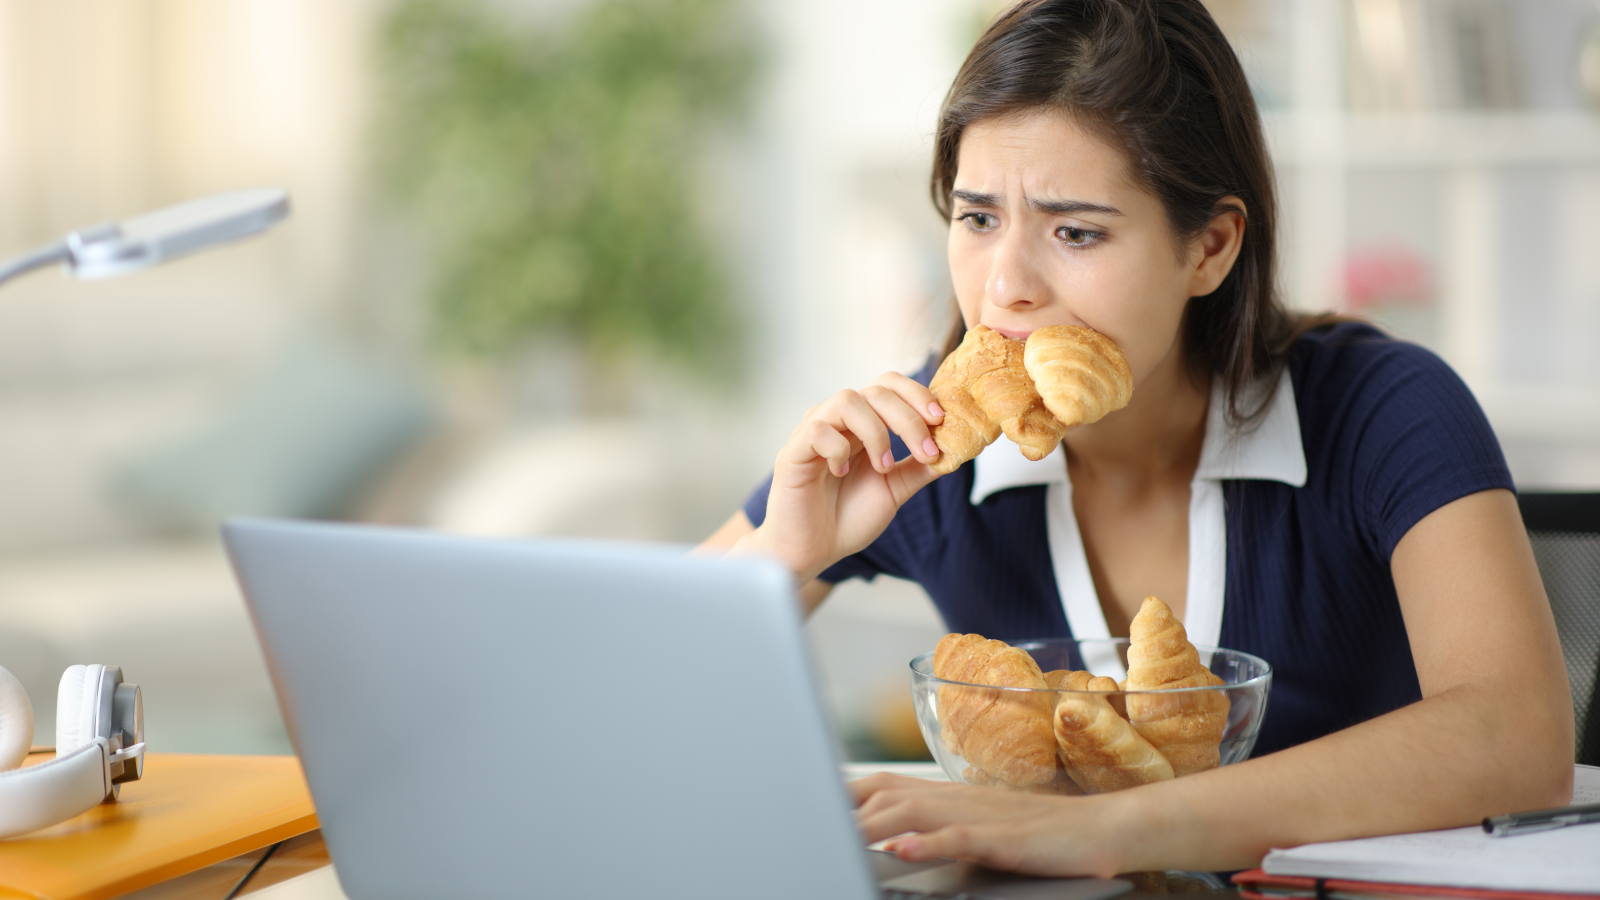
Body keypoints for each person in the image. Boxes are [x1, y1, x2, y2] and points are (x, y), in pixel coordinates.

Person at [700, 0, 1573, 877]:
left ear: (1212, 248)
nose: (1005, 287)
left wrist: (1102, 830)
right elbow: (612, 703)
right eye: (977, 218)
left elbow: (1519, 738)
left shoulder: (1384, 410)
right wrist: (786, 550)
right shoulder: (921, 444)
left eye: (1075, 230)